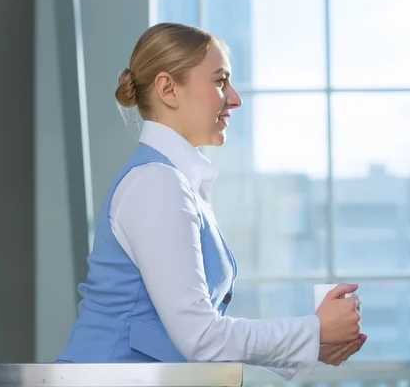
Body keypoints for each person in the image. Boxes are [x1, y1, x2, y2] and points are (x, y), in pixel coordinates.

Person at [56, 22, 366, 379]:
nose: (235, 98)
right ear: (168, 89)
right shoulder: (157, 184)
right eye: (220, 82)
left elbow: (193, 331)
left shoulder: (173, 181)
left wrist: (312, 344)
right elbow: (201, 337)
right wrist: (313, 331)